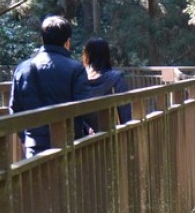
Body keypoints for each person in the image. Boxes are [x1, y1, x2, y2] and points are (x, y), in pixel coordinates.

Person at [8, 15, 88, 155]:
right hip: (69, 143)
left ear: (42, 39)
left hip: (34, 146)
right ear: (67, 42)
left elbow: (15, 108)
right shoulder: (75, 69)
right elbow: (85, 107)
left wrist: (24, 138)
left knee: (36, 177)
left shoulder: (22, 68)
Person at [78, 37, 132, 135]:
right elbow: (125, 110)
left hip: (86, 137)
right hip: (113, 134)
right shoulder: (116, 78)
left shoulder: (80, 79)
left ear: (87, 56)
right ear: (107, 55)